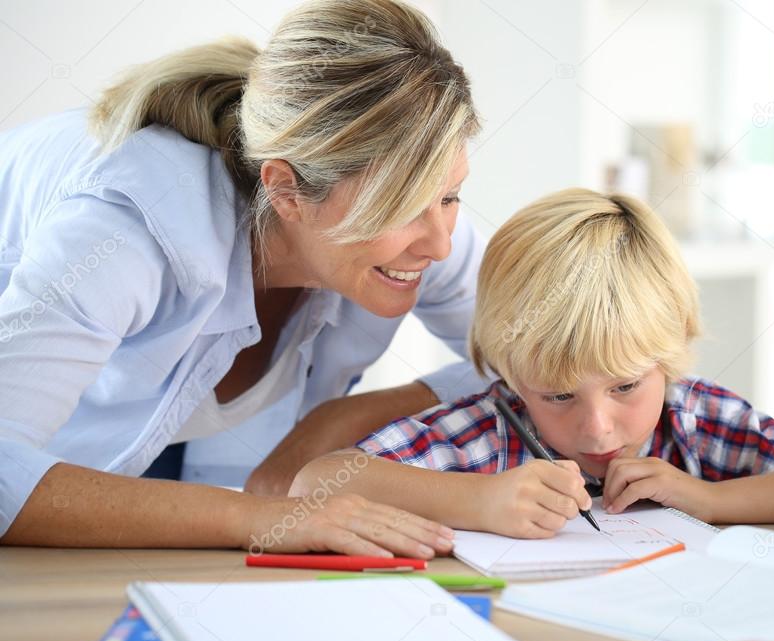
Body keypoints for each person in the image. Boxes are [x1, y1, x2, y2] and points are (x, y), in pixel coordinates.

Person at [0, 0, 488, 558]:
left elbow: (542, 359)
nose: (440, 243)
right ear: (284, 190)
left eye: (450, 196)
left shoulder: (420, 226)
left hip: (162, 427)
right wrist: (269, 518)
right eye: (400, 206)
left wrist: (351, 414)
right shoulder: (126, 231)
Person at [288, 188, 774, 538]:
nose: (597, 429)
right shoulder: (486, 432)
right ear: (509, 376)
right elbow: (315, 481)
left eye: (625, 385)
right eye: (558, 396)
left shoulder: (695, 420)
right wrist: (477, 500)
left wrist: (711, 500)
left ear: (668, 354)